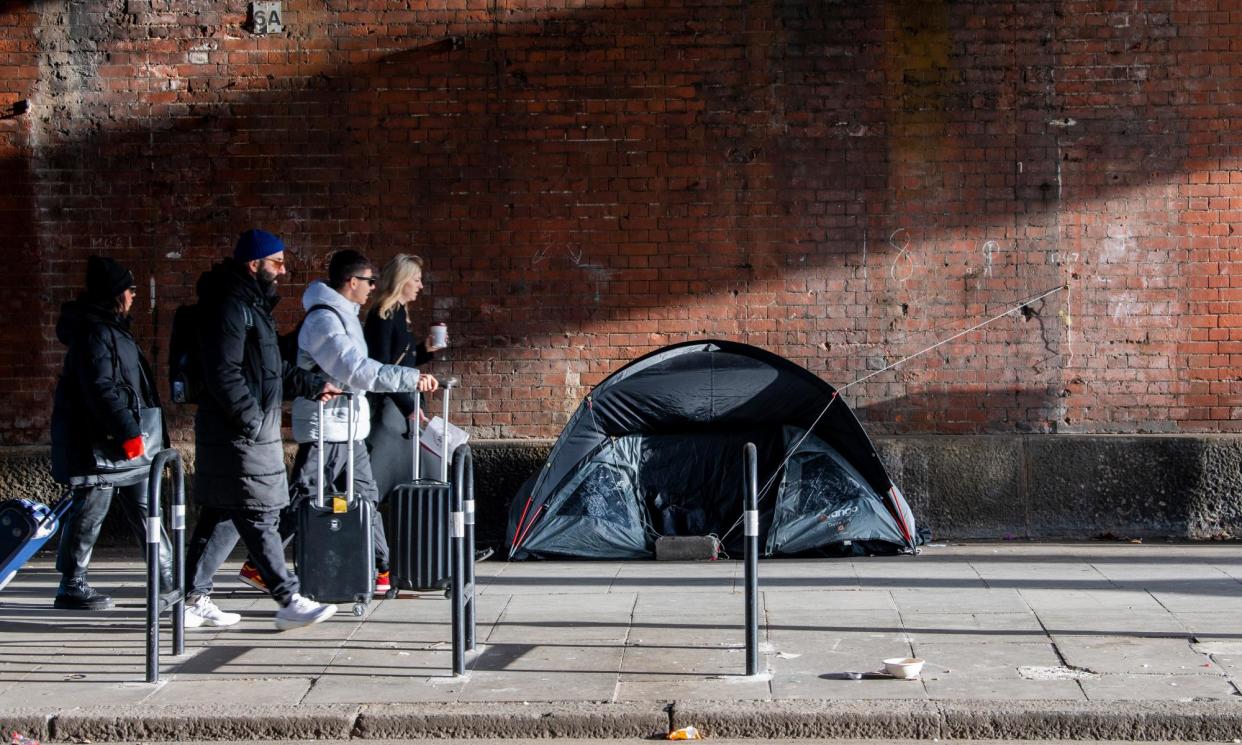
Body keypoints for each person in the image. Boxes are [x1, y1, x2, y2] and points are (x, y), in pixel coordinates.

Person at [238, 250, 436, 597]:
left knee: (365, 497)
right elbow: (355, 370)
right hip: (327, 428)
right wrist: (410, 379)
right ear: (352, 281)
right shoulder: (325, 321)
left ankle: (381, 572)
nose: (373, 287)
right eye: (369, 281)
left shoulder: (346, 317)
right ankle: (258, 565)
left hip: (348, 429)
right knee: (304, 498)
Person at [183, 229, 341, 630]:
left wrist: (312, 384)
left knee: (222, 515)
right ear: (254, 264)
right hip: (238, 433)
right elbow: (224, 374)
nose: (283, 270)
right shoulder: (229, 307)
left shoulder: (251, 306)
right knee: (259, 513)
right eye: (277, 262)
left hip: (245, 430)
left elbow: (271, 371)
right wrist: (251, 421)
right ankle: (288, 598)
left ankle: (190, 599)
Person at [49, 256, 176, 610]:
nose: (135, 295)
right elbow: (101, 388)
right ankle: (72, 585)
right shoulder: (96, 332)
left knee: (147, 509)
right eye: (130, 289)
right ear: (114, 293)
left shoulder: (110, 328)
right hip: (101, 444)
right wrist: (128, 431)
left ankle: (170, 585)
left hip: (122, 440)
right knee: (90, 512)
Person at [362, 254, 444, 502]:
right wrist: (409, 406)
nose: (420, 286)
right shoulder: (384, 315)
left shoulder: (397, 313)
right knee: (378, 475)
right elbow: (382, 367)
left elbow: (399, 364)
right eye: (416, 279)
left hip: (400, 406)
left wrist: (423, 350)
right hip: (391, 409)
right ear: (402, 280)